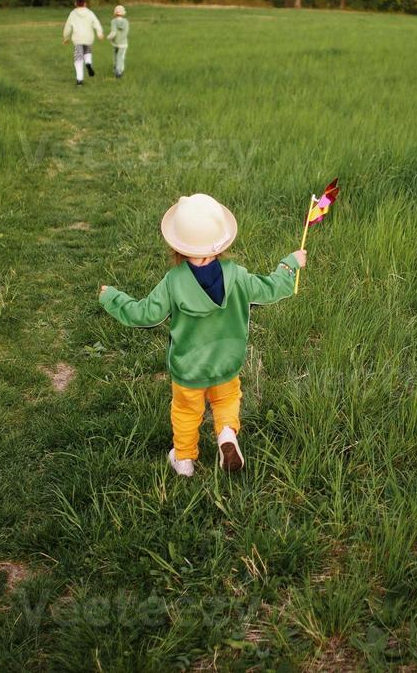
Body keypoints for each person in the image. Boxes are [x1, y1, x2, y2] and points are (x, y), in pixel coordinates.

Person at [98, 194, 306, 477]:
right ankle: (226, 436)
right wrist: (289, 264)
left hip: (189, 368)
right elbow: (271, 289)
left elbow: (144, 314)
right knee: (226, 400)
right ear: (221, 241)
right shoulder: (238, 275)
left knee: (185, 411)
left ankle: (184, 460)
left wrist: (112, 298)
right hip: (226, 362)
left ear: (179, 246)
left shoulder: (173, 282)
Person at [62, 0, 104, 86]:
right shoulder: (90, 13)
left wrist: (66, 37)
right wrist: (99, 33)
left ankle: (79, 79)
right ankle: (88, 63)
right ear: (85, 3)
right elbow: (96, 23)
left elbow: (68, 27)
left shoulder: (73, 14)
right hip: (88, 38)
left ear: (75, 3)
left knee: (78, 58)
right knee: (87, 51)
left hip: (78, 39)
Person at [108, 5, 130, 78]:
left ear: (115, 13)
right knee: (120, 56)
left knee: (115, 56)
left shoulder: (113, 21)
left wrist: (109, 37)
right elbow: (126, 32)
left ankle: (116, 69)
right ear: (123, 13)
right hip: (123, 43)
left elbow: (113, 32)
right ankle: (119, 70)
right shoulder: (126, 22)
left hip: (115, 43)